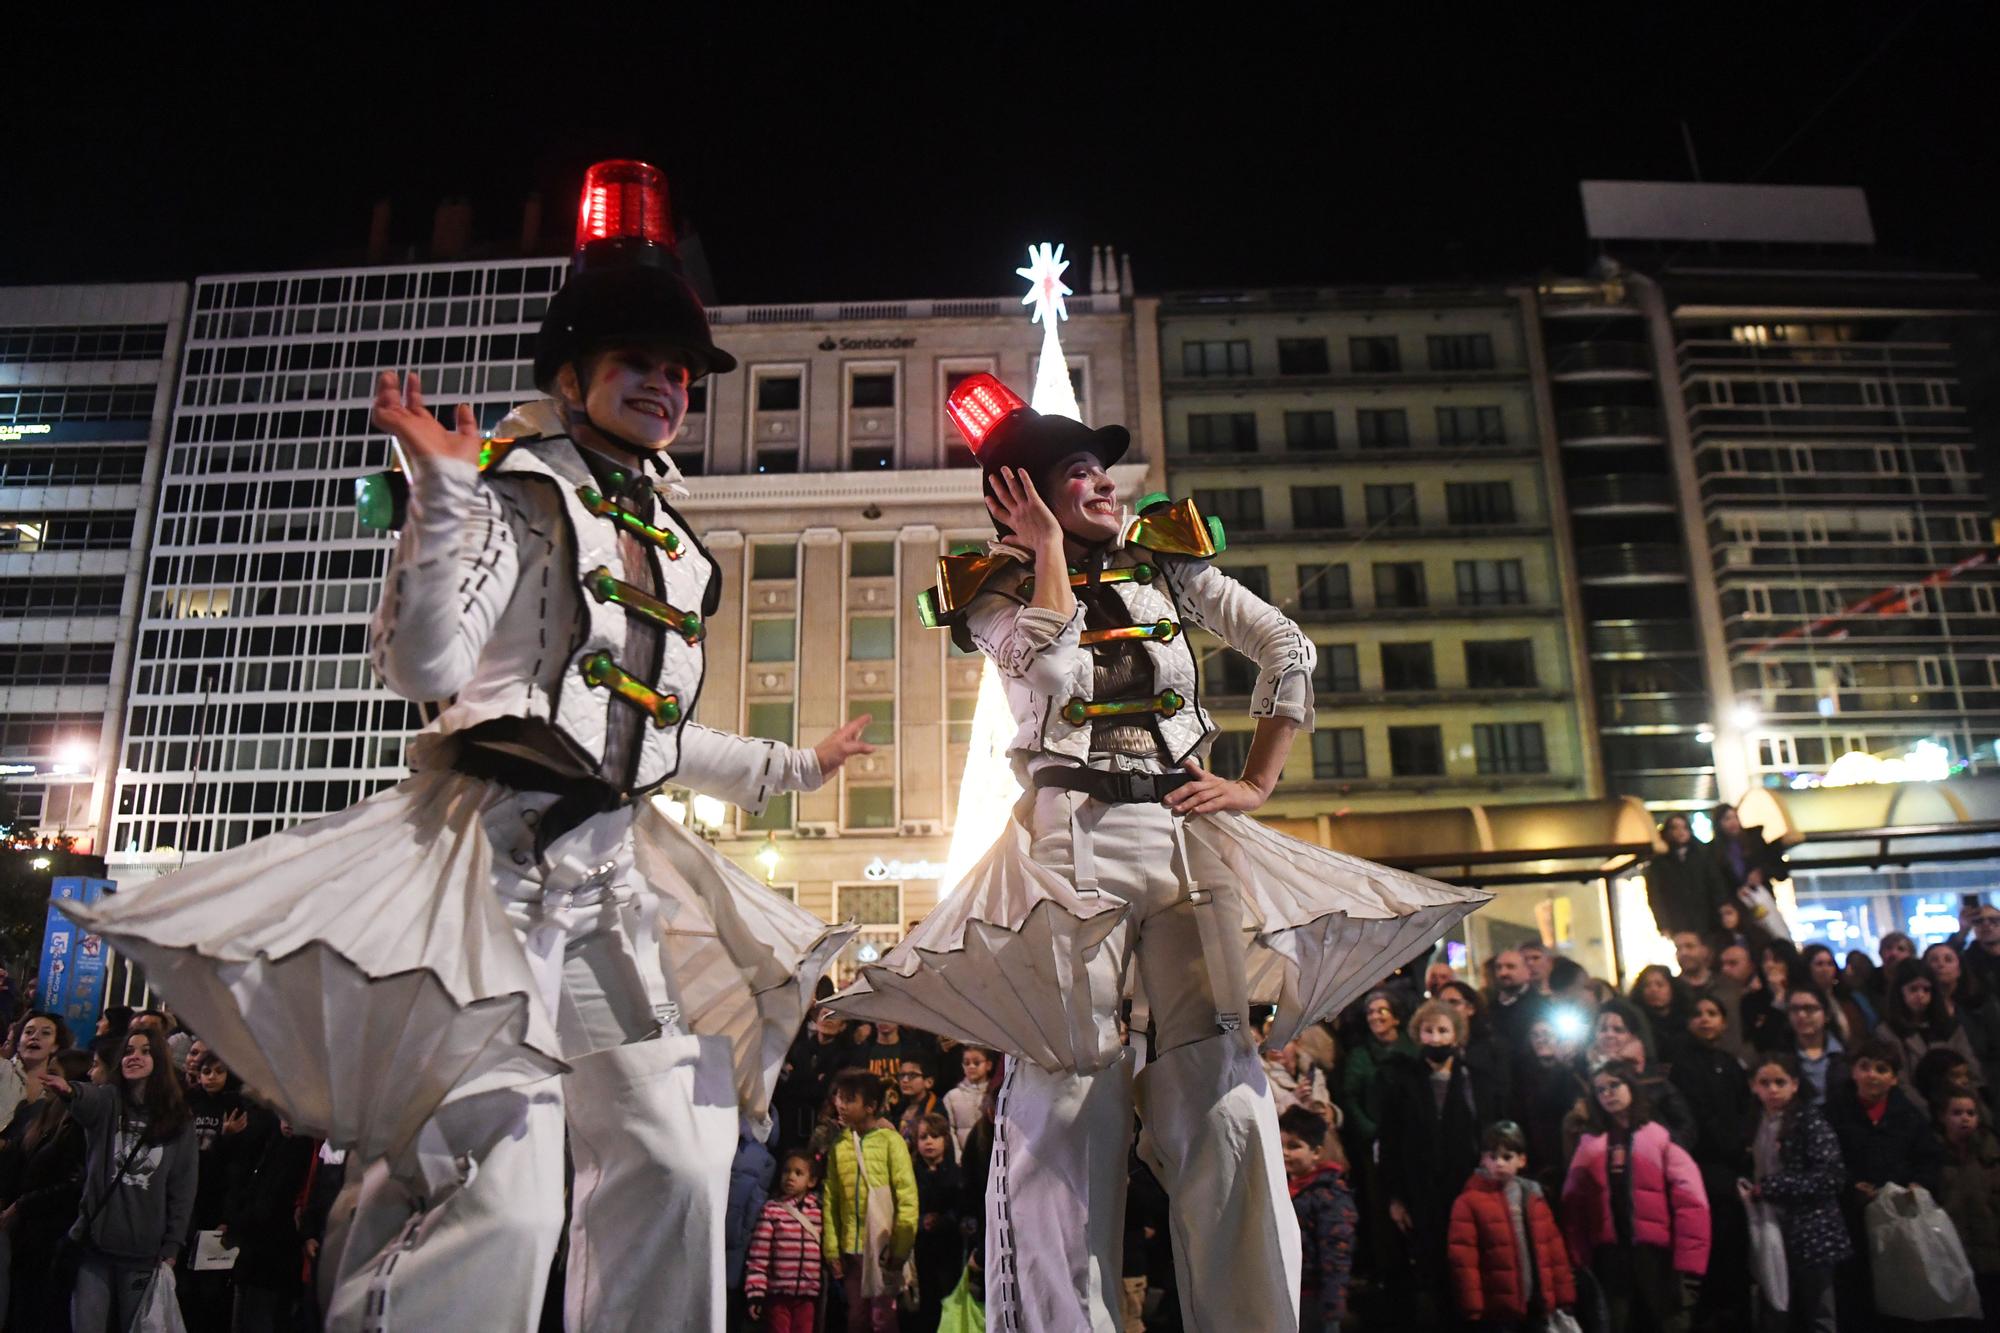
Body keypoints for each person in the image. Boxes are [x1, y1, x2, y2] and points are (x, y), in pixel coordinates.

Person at [60, 161, 869, 1332]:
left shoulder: (668, 536)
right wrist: (440, 493)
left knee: (680, 1162)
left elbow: (641, 735)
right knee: (501, 1193)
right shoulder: (513, 484)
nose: (664, 386)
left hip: (605, 890)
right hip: (486, 871)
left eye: (679, 372)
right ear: (572, 374)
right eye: (639, 362)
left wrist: (796, 767)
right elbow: (426, 666)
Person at [833, 371, 1487, 1333]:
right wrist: (1048, 551)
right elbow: (1053, 673)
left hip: (1187, 841)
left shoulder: (1170, 567)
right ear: (1018, 498)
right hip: (1069, 850)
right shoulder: (991, 590)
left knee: (1225, 1097)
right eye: (1076, 474)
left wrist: (1258, 781)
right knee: (1069, 1102)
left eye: (1102, 469)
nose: (1103, 485)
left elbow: (1289, 648)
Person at [43, 1027, 197, 1333]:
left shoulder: (178, 1118)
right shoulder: (110, 1101)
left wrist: (172, 1245)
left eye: (144, 1051)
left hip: (143, 1254)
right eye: (128, 1051)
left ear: (160, 1061)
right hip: (94, 1249)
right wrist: (70, 1090)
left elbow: (183, 1186)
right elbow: (88, 1099)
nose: (134, 1057)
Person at [1560, 1060, 1710, 1333]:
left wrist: (1689, 1266)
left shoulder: (1659, 1139)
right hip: (1611, 1254)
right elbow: (1574, 1207)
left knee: (1669, 1321)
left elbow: (1692, 1204)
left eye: (1614, 1085)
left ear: (1631, 1086)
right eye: (1600, 1089)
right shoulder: (1589, 1144)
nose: (1608, 1093)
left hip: (1656, 1254)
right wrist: (1578, 1258)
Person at [1379, 999, 1503, 1313]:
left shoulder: (1477, 1079)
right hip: (1421, 1191)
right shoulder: (1401, 1081)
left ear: (1456, 1035)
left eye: (1443, 1030)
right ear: (1418, 1035)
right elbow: (1390, 1142)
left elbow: (1488, 1132)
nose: (1436, 1038)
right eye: (1428, 1030)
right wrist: (1395, 1197)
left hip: (1468, 1187)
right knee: (1433, 1268)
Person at [1739, 1052, 1848, 1333]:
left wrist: (1773, 1188)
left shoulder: (1809, 1122)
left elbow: (1830, 1177)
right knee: (1776, 1307)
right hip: (1772, 1224)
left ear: (1795, 1084)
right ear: (1753, 1085)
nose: (1773, 1090)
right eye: (1765, 1082)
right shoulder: (1755, 1121)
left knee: (1818, 1311)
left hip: (1812, 1230)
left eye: (1780, 1082)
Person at [1446, 1120, 1576, 1331]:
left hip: (1536, 1300)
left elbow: (1553, 1249)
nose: (1499, 1163)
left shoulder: (1534, 1198)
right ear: (1483, 1160)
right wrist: (1473, 1305)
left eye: (1507, 1157)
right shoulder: (1469, 1202)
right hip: (1497, 1308)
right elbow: (1463, 1259)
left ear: (1521, 1160)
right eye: (1492, 1156)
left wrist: (1564, 1295)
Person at [0, 1047, 91, 1331]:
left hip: (51, 1235)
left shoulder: (80, 1126)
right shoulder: (35, 1113)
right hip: (22, 1232)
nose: (45, 1080)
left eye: (54, 1074)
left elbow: (72, 1185)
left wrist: (23, 1205)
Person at [823, 1069, 916, 1333]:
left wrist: (900, 1248)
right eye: (838, 1097)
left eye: (848, 1099)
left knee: (883, 1318)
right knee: (856, 1318)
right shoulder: (840, 1145)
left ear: (871, 1106)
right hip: (851, 1250)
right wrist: (832, 1249)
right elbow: (831, 1199)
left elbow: (907, 1197)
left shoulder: (891, 1142)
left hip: (883, 1248)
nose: (840, 1104)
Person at [1280, 1105, 1355, 1333]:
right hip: (1287, 1292)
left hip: (1313, 1299)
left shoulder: (1329, 1195)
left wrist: (1332, 1309)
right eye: (1280, 1145)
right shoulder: (1282, 1190)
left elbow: (1336, 1254)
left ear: (1316, 1152)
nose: (1284, 1152)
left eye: (1294, 1146)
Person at [1876, 957, 1985, 1112]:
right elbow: (1900, 1082)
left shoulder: (1949, 1026)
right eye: (1913, 989)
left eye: (1926, 990)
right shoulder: (1888, 1031)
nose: (1920, 995)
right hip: (1917, 1112)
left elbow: (1971, 1070)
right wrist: (1931, 1111)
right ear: (1900, 992)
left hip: (1960, 1108)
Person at [1934, 1089, 2000, 1323]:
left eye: (1971, 1113)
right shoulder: (1935, 1156)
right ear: (1943, 1116)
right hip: (1952, 1253)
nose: (1965, 1118)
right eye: (1957, 1112)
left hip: (1990, 1253)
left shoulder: (1990, 1155)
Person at [743, 1149, 825, 1333]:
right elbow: (759, 1255)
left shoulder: (819, 1213)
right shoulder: (772, 1211)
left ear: (811, 1181)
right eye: (786, 1171)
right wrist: (756, 1293)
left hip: (807, 1296)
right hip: (778, 1296)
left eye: (798, 1173)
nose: (790, 1177)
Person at [910, 1112, 964, 1333]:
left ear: (946, 1140)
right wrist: (921, 1221)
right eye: (923, 1137)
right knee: (924, 1302)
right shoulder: (911, 1174)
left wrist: (944, 1221)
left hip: (948, 1248)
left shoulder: (956, 1173)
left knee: (947, 1298)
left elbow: (962, 1208)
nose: (929, 1142)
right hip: (920, 1248)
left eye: (934, 1136)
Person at [1645, 815, 1732, 939]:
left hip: (1707, 920)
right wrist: (1663, 924)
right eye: (1675, 828)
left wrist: (1723, 907)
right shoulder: (1659, 863)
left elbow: (1716, 884)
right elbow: (1655, 896)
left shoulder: (1703, 855)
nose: (1681, 832)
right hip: (1678, 921)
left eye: (1684, 827)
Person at [1926, 939, 2000, 1084]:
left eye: (1948, 959)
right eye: (1934, 960)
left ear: (1959, 969)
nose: (1941, 964)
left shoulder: (1979, 1007)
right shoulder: (1920, 1011)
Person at [0, 1010, 71, 1138]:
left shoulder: (57, 1089)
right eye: (28, 1032)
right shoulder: (2, 1068)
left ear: (55, 1046)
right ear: (18, 1044)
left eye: (45, 1033)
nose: (35, 1037)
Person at [1780, 984, 1847, 1101]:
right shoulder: (1781, 1057)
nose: (1801, 1015)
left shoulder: (1845, 1055)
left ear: (1826, 1015)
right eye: (1794, 1009)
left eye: (1809, 1009)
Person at [941, 1047, 997, 1159]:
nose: (971, 1066)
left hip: (991, 1156)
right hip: (965, 1159)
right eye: (966, 1063)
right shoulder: (952, 1096)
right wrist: (958, 1156)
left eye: (976, 1063)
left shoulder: (995, 1094)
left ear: (988, 1065)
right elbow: (950, 1129)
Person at [1628, 966, 1691, 1065]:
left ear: (1672, 988)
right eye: (1647, 986)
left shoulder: (1688, 1020)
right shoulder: (1635, 1023)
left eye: (1660, 985)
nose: (1653, 990)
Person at [896, 1059, 944, 1157]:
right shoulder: (897, 1107)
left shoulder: (936, 1107)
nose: (904, 1080)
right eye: (902, 1075)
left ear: (928, 1082)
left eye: (912, 1075)